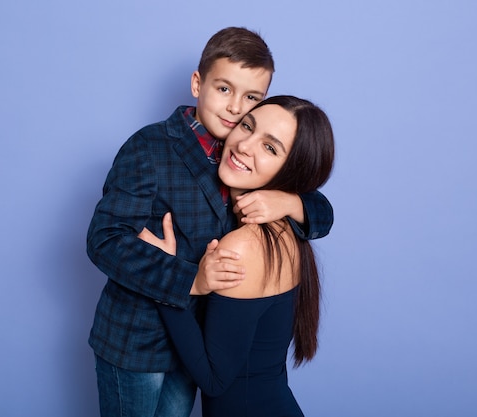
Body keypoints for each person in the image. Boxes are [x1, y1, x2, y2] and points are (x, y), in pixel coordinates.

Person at [86, 27, 334, 417]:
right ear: (198, 84)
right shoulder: (149, 148)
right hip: (137, 341)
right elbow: (104, 239)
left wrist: (287, 200)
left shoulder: (243, 151)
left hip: (195, 343)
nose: (236, 108)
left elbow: (321, 212)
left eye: (250, 98)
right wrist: (189, 279)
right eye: (224, 89)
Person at [139, 95, 334, 417]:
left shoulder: (243, 246)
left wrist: (166, 278)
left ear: (293, 171)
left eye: (270, 148)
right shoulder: (287, 230)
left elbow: (215, 380)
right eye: (247, 126)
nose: (244, 146)